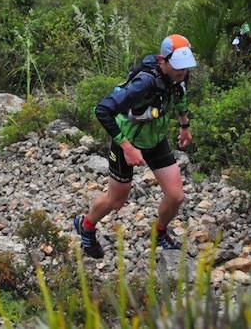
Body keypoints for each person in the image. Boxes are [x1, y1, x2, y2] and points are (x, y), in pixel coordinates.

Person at [74, 34, 198, 258]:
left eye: (186, 66)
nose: (183, 72)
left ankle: (159, 233)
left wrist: (184, 125)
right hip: (128, 140)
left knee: (176, 196)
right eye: (178, 66)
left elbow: (180, 97)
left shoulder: (180, 76)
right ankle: (86, 225)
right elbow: (102, 110)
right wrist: (127, 146)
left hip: (156, 139)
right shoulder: (145, 83)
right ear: (163, 60)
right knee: (116, 200)